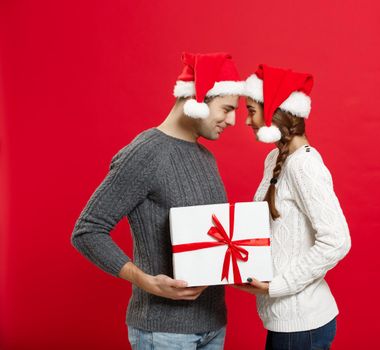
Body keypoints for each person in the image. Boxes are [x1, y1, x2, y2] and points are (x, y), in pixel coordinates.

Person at [71, 52, 245, 349]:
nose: (232, 120)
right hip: (165, 332)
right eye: (227, 108)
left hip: (213, 325)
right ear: (198, 99)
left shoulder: (205, 157)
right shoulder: (145, 153)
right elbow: (87, 230)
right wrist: (144, 281)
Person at [233, 64, 351, 350]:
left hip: (303, 324)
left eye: (251, 110)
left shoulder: (305, 164)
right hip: (283, 321)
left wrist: (279, 285)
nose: (246, 120)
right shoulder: (274, 160)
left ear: (275, 111)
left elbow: (337, 241)